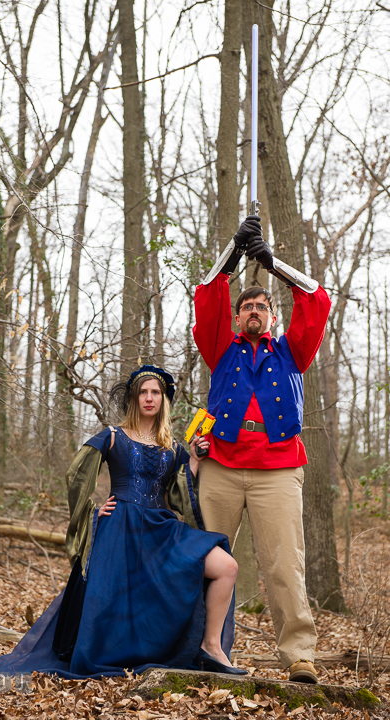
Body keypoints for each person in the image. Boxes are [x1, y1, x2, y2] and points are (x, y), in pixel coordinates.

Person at [0, 365, 247, 680]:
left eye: (156, 393)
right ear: (134, 398)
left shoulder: (173, 447)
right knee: (113, 606)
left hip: (160, 530)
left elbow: (180, 495)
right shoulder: (113, 436)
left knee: (227, 567)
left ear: (163, 400)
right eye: (143, 393)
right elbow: (77, 475)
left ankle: (211, 646)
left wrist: (192, 460)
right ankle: (123, 655)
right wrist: (92, 511)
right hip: (120, 528)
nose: (149, 398)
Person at [193, 216, 331, 684]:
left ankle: (298, 655)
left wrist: (272, 264)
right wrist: (234, 250)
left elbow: (318, 299)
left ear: (272, 317)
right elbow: (206, 292)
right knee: (205, 559)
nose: (253, 310)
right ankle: (199, 646)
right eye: (246, 306)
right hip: (222, 467)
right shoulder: (220, 347)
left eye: (261, 306)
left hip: (278, 468)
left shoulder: (293, 351)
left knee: (284, 563)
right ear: (237, 318)